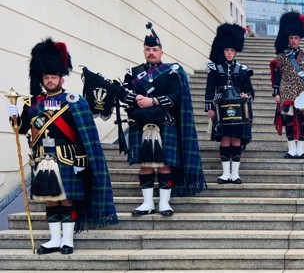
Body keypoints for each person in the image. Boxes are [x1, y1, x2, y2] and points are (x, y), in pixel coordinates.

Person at [8, 38, 117, 254]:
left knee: (66, 200)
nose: (50, 80)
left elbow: (84, 135)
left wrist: (81, 161)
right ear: (43, 79)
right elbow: (21, 129)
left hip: (67, 157)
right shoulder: (33, 103)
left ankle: (68, 240)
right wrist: (13, 115)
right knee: (51, 201)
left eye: (54, 77)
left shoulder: (73, 101)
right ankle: (54, 239)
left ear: (61, 78)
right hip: (42, 158)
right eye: (47, 77)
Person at [120, 22, 206, 217]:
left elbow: (177, 95)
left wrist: (153, 101)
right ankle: (147, 203)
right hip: (141, 125)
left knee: (165, 163)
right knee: (145, 165)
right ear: (144, 50)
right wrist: (137, 99)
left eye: (155, 49)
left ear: (161, 52)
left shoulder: (171, 71)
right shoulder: (132, 73)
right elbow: (123, 94)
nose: (151, 52)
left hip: (165, 124)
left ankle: (165, 203)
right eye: (148, 49)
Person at [270, 11, 304, 159]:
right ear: (288, 38)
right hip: (286, 92)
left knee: (302, 121)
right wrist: (276, 92)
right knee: (288, 121)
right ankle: (291, 149)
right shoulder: (280, 57)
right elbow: (276, 75)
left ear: (300, 39)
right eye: (291, 38)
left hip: (302, 94)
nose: (294, 40)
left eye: (296, 38)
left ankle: (301, 148)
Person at [205, 23, 254, 184]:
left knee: (237, 140)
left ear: (235, 52)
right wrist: (209, 108)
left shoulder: (242, 70)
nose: (229, 53)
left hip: (239, 109)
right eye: (227, 50)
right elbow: (209, 89)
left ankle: (235, 173)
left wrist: (247, 96)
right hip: (221, 109)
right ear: (223, 51)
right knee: (225, 139)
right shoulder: (215, 69)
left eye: (232, 51)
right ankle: (225, 173)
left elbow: (251, 92)